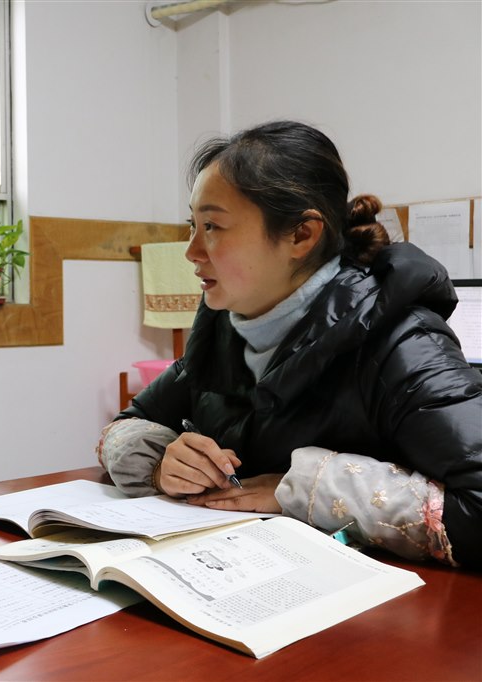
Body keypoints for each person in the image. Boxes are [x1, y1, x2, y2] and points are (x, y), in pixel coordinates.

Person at [96, 120, 482, 568]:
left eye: (213, 226)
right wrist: (163, 462)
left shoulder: (404, 343)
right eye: (193, 225)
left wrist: (305, 488)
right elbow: (129, 423)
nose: (192, 251)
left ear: (301, 235)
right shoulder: (225, 330)